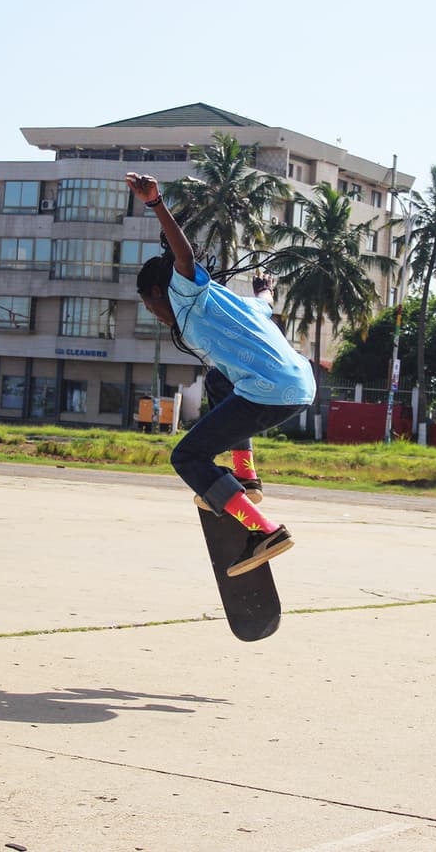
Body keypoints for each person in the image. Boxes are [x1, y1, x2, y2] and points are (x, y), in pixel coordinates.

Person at [127, 172, 316, 577]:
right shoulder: (235, 303)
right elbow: (264, 302)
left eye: (150, 308)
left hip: (270, 391)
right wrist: (266, 287)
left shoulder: (185, 292)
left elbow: (184, 257)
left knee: (187, 456)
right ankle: (246, 479)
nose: (158, 319)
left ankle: (264, 531)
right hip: (301, 383)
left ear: (158, 293)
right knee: (217, 380)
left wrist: (156, 203)